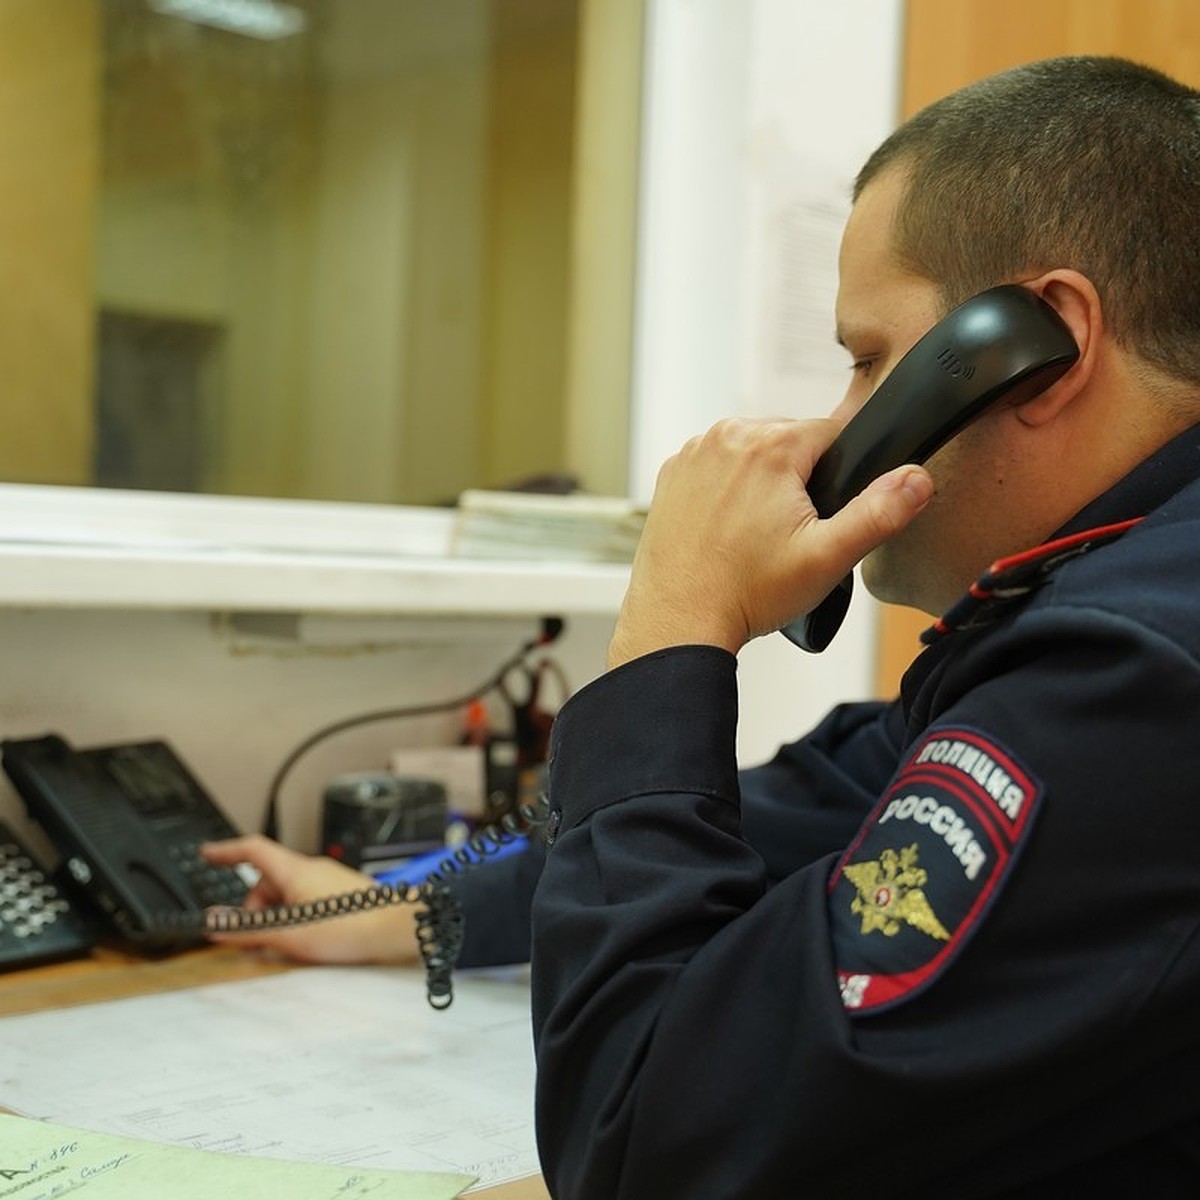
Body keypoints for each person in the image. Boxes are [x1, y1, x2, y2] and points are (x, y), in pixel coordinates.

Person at [204, 54, 1200, 1197]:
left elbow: (639, 1151)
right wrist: (395, 912)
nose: (838, 430)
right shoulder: (1091, 610)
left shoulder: (1139, 677)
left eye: (870, 362)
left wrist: (675, 625)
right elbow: (812, 813)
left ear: (1037, 348)